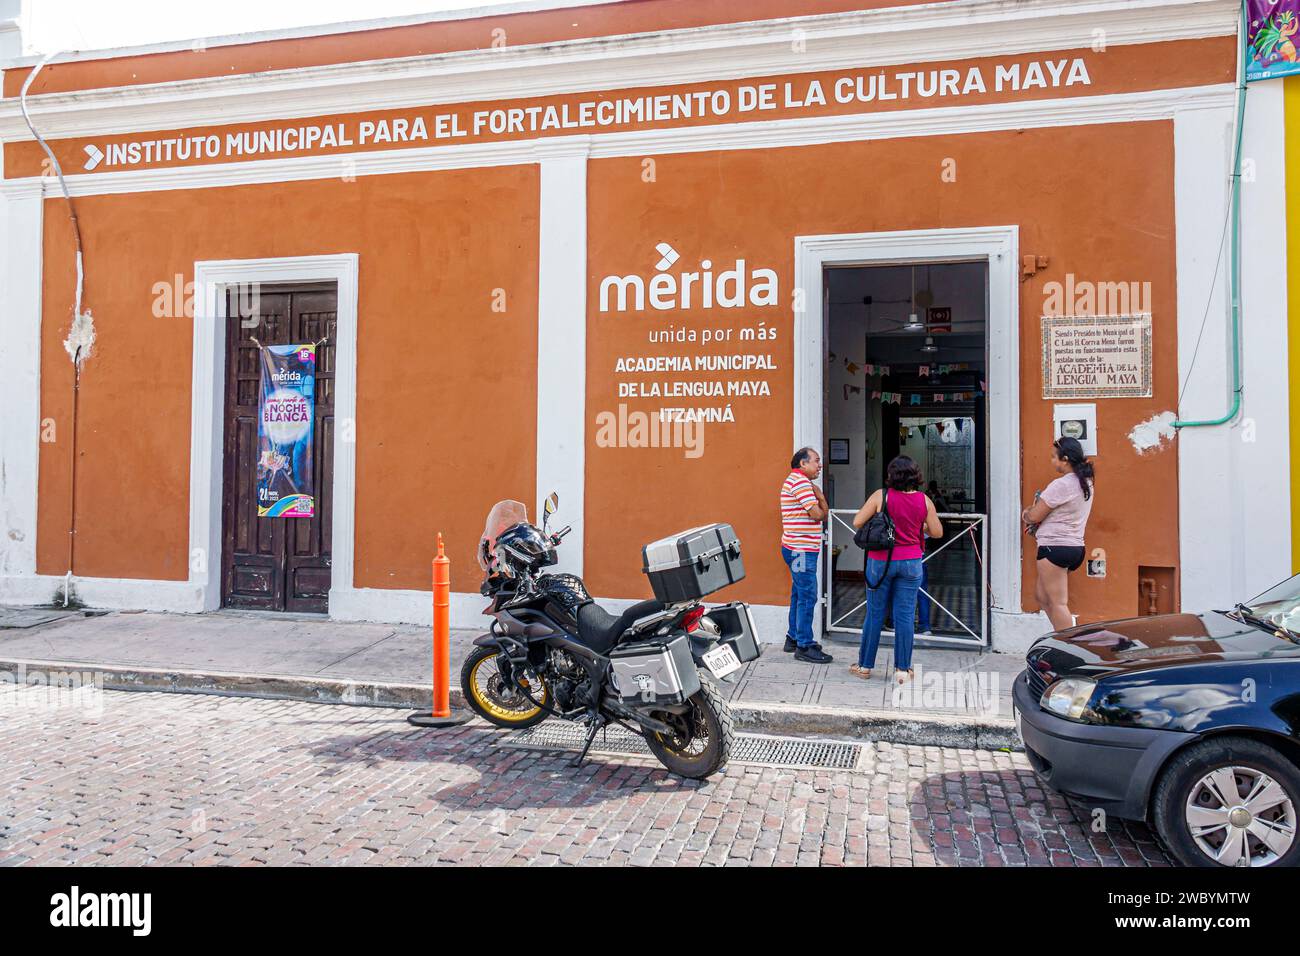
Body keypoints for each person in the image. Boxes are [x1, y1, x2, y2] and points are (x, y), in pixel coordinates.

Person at [850, 456, 943, 683]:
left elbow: (857, 521)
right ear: (916, 475)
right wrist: (917, 525)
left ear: (891, 475)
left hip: (881, 561)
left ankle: (864, 666)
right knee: (905, 615)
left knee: (875, 613)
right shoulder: (924, 500)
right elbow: (938, 532)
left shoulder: (881, 496)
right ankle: (902, 669)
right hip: (912, 562)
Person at [1022, 437, 1095, 632]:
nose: (1052, 461)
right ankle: (1059, 634)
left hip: (1054, 548)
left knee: (1058, 603)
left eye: (1054, 457)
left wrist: (1026, 514)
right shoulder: (1085, 482)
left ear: (1065, 459)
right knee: (1042, 596)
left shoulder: (1061, 485)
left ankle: (1068, 646)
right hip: (1075, 548)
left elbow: (1035, 515)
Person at [780, 447, 832, 663]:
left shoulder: (796, 480)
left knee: (799, 594)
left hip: (795, 548)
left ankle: (793, 637)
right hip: (801, 550)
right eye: (816, 461)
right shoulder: (801, 483)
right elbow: (819, 515)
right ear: (803, 463)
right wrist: (820, 496)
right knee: (808, 595)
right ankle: (804, 645)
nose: (820, 465)